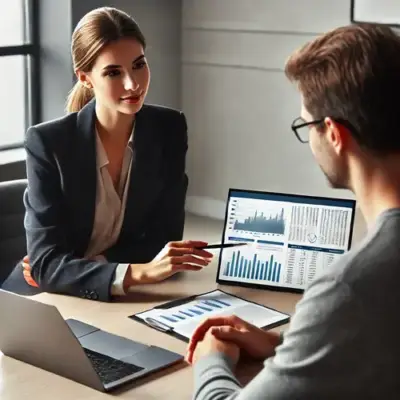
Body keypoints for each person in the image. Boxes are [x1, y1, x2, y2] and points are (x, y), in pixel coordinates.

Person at [186, 23, 400, 399]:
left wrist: (212, 359)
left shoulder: (348, 287)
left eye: (307, 124)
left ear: (334, 134)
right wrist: (285, 343)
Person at [1, 7, 212, 302]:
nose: (133, 83)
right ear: (85, 78)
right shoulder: (48, 143)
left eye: (139, 65)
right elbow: (46, 267)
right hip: (40, 298)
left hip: (104, 292)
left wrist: (88, 265)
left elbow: (164, 237)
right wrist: (137, 272)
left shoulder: (169, 129)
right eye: (113, 72)